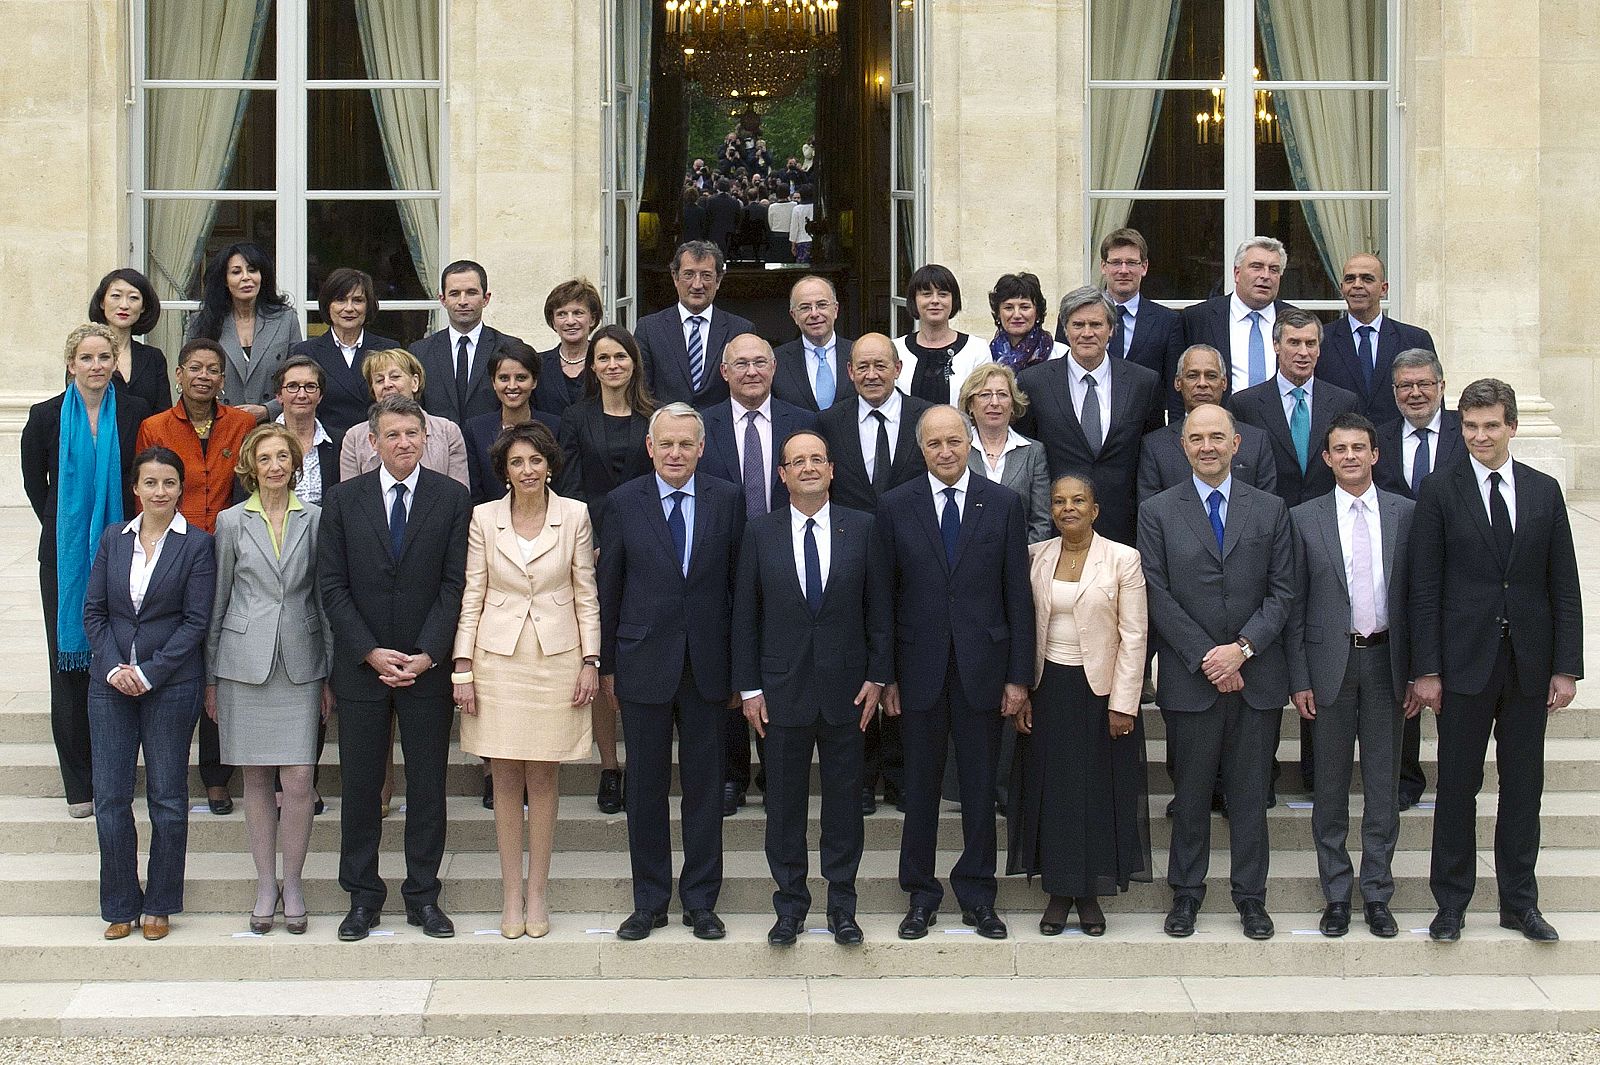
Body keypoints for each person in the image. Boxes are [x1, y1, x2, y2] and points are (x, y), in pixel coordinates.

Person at [1411, 379, 1583, 943]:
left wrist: (1566, 666)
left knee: (1524, 786)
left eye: (1490, 426)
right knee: (1457, 786)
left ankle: (1519, 902)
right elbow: (1426, 586)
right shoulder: (1439, 490)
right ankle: (1452, 903)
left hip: (1528, 665)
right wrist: (1427, 668)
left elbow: (1564, 585)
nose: (1479, 436)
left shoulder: (1544, 490)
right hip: (1462, 663)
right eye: (1469, 427)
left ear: (1512, 426)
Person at [319, 395, 471, 943]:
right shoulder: (342, 501)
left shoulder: (453, 498)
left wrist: (430, 652)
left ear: (426, 438)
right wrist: (368, 651)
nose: (404, 443)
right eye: (393, 434)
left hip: (426, 669)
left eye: (413, 433)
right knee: (361, 787)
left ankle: (423, 896)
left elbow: (457, 584)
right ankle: (362, 897)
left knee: (427, 784)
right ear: (372, 441)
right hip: (363, 668)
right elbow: (331, 586)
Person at [878, 405, 1034, 942]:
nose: (945, 452)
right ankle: (919, 895)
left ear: (968, 441)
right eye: (934, 444)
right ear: (920, 449)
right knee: (919, 788)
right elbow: (885, 598)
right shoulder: (896, 506)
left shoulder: (1004, 504)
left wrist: (1018, 677)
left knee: (978, 787)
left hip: (983, 671)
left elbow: (1019, 594)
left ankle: (978, 894)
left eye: (953, 441)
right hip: (917, 670)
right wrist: (886, 675)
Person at [1138, 404, 1294, 941]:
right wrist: (1209, 655)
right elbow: (1155, 593)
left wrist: (1242, 650)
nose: (1207, 447)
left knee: (1250, 796)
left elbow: (1282, 591)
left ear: (1236, 445)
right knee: (1192, 794)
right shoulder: (1157, 511)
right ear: (1183, 447)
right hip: (1191, 677)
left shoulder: (1271, 509)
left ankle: (1251, 897)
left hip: (1256, 678)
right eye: (1197, 438)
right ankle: (1186, 894)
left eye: (1217, 438)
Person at [733, 429, 891, 946]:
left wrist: (878, 675)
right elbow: (745, 617)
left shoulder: (862, 528)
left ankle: (842, 906)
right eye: (796, 461)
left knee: (845, 805)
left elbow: (880, 610)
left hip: (849, 693)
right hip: (779, 694)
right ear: (781, 474)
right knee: (784, 808)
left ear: (831, 471)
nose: (807, 468)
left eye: (816, 460)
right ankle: (791, 908)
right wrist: (750, 688)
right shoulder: (760, 532)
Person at [597, 403, 745, 942]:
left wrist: (740, 669)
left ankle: (701, 901)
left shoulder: (727, 499)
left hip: (709, 666)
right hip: (642, 664)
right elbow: (608, 587)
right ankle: (650, 900)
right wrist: (607, 665)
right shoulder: (622, 503)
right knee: (646, 788)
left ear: (701, 448)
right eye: (667, 444)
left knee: (706, 788)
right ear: (650, 448)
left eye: (686, 444)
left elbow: (738, 587)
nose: (676, 453)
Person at [452, 421, 600, 939]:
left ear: (549, 464)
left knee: (544, 774)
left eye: (535, 460)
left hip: (559, 658)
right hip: (497, 660)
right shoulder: (483, 518)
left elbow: (586, 593)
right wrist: (462, 666)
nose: (527, 470)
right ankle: (509, 893)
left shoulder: (575, 514)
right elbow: (473, 592)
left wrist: (591, 661)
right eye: (517, 462)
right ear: (505, 471)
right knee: (504, 773)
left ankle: (538, 890)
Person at [1285, 413, 1416, 939]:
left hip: (1388, 663)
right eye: (1340, 449)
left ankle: (1378, 893)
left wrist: (1421, 671)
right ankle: (1337, 894)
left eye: (1359, 448)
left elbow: (1420, 598)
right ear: (1327, 458)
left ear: (1375, 454)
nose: (1350, 457)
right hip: (1328, 666)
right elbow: (1293, 604)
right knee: (1331, 788)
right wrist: (1299, 677)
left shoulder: (1406, 514)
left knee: (1383, 788)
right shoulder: (1304, 517)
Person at [83, 446, 216, 941]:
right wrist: (116, 667)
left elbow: (195, 622)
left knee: (166, 797)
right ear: (135, 489)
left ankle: (160, 902)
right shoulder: (112, 540)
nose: (159, 492)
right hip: (110, 685)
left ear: (181, 489)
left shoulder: (198, 545)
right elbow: (94, 611)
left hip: (171, 686)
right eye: (150, 483)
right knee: (112, 797)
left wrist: (151, 672)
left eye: (169, 483)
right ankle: (120, 903)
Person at [1008, 474, 1150, 936]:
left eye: (1079, 500)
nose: (1068, 508)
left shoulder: (1123, 559)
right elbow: (1022, 627)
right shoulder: (1034, 556)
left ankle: (1089, 894)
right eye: (1059, 501)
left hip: (1101, 693)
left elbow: (1134, 635)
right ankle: (1057, 891)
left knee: (1095, 792)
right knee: (1052, 792)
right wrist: (1023, 689)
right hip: (1048, 689)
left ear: (1095, 509)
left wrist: (1124, 703)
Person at [205, 424, 332, 936]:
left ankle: (294, 882)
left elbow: (323, 599)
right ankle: (265, 883)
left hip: (301, 662)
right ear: (250, 467)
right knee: (255, 778)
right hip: (243, 662)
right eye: (265, 458)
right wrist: (211, 676)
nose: (275, 466)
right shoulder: (230, 522)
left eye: (284, 456)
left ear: (295, 464)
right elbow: (218, 600)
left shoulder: (318, 520)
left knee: (298, 778)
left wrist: (328, 673)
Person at [21, 323, 152, 817]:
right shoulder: (45, 416)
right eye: (87, 358)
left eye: (105, 357)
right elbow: (37, 484)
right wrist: (68, 529)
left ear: (115, 361)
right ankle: (79, 784)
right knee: (68, 666)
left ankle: (113, 772)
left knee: (117, 653)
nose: (97, 366)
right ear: (71, 363)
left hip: (123, 551)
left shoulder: (136, 413)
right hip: (65, 558)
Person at [695, 334, 817, 814]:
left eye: (760, 362)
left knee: (780, 663)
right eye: (740, 363)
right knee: (728, 666)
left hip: (787, 564)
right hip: (720, 564)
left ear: (774, 368)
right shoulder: (703, 425)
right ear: (724, 372)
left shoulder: (803, 424)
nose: (751, 371)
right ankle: (731, 773)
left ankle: (776, 769)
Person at [136, 338, 257, 814]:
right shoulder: (155, 427)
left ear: (223, 379)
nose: (204, 376)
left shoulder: (241, 424)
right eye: (195, 368)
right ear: (179, 375)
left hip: (225, 551)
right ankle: (166, 768)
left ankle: (216, 775)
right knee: (175, 652)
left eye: (213, 369)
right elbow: (146, 491)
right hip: (172, 551)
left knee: (215, 656)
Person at [817, 334, 930, 809]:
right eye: (862, 366)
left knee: (905, 660)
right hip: (850, 564)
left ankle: (902, 773)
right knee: (858, 662)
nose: (871, 374)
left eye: (880, 365)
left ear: (898, 367)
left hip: (915, 561)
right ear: (849, 372)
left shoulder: (926, 416)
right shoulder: (829, 421)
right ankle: (861, 776)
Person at [1373, 348, 1466, 808]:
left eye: (1424, 384)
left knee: (1457, 682)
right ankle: (1404, 778)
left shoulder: (1465, 435)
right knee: (1403, 680)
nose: (1414, 393)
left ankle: (1456, 779)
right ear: (1393, 393)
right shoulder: (1379, 438)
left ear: (1441, 388)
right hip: (1395, 577)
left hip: (1458, 579)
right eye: (1405, 386)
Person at [1017, 286, 1163, 547]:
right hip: (1058, 524)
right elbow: (1028, 456)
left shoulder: (1143, 382)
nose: (1087, 333)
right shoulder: (1034, 382)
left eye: (1096, 324)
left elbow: (1151, 453)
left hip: (1124, 525)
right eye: (1078, 324)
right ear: (1065, 329)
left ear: (1111, 330)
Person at [1229, 309, 1362, 511]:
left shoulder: (1343, 402)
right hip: (1269, 518)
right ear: (1276, 346)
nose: (1303, 352)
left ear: (1319, 349)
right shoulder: (1245, 405)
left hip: (1329, 519)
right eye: (1294, 343)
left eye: (1310, 344)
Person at [1061, 229, 1185, 420]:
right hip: (1085, 420)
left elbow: (1175, 389)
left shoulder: (1168, 322)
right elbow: (1060, 373)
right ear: (1103, 266)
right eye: (1116, 262)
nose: (1124, 270)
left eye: (1132, 263)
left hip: (1144, 431)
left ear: (1144, 267)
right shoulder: (1075, 316)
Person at [1139, 344, 1277, 502]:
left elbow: (1267, 510)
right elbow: (1152, 513)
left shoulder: (1255, 442)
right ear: (1178, 383)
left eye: (1211, 376)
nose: (1202, 383)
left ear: (1224, 382)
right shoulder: (1155, 446)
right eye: (1192, 376)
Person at [185, 241, 302, 420]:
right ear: (224, 280)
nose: (246, 278)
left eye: (252, 270)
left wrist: (267, 410)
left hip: (272, 429)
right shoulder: (202, 322)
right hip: (218, 425)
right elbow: (192, 378)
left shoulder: (286, 319)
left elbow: (299, 377)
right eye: (236, 272)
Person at [1314, 254, 1436, 424]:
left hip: (1398, 444)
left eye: (1367, 279)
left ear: (1384, 289)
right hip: (1342, 444)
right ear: (1342, 288)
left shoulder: (1414, 339)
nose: (1357, 285)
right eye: (1350, 279)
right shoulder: (1321, 340)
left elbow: (1434, 401)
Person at [635, 241, 755, 407]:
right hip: (668, 429)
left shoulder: (740, 330)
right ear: (675, 277)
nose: (697, 285)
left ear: (718, 280)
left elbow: (747, 388)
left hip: (720, 429)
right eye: (689, 274)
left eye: (706, 276)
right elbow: (642, 390)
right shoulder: (649, 328)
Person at [287, 268, 398, 444]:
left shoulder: (388, 349)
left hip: (376, 445)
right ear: (327, 305)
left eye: (358, 300)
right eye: (340, 300)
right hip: (327, 447)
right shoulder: (306, 352)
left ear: (368, 305)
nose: (349, 308)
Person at [414, 260, 526, 427]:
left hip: (492, 447)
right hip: (440, 448)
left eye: (471, 292)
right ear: (443, 299)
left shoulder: (509, 347)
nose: (463, 301)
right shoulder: (420, 352)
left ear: (486, 298)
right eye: (454, 294)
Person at [1180, 237, 1297, 396]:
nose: (1265, 275)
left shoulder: (1295, 321)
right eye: (1256, 267)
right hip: (1220, 418)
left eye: (1274, 269)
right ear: (1237, 273)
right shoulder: (1199, 318)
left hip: (1278, 418)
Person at [339, 348, 469, 488]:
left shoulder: (447, 431)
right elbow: (349, 498)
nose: (387, 384)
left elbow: (459, 496)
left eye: (395, 377)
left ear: (415, 382)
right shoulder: (354, 438)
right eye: (379, 380)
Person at [959, 363, 1052, 543]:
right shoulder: (958, 449)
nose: (995, 402)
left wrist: (1020, 559)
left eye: (1002, 395)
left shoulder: (1033, 452)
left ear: (1012, 404)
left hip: (1020, 560)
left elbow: (1041, 520)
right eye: (985, 394)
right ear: (970, 404)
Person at [463, 341, 562, 505]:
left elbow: (562, 485)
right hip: (490, 524)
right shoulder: (475, 429)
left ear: (534, 381)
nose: (512, 386)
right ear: (493, 383)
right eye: (503, 378)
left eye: (521, 378)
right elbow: (475, 492)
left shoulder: (555, 426)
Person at [893, 265, 988, 405]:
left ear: (953, 300)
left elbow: (982, 404)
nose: (935, 301)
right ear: (914, 300)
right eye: (926, 294)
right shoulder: (896, 349)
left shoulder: (977, 349)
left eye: (943, 294)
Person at [88, 268, 170, 415]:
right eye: (116, 296)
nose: (124, 305)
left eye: (133, 298)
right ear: (102, 302)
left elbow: (163, 416)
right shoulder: (85, 353)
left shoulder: (154, 358)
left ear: (143, 307)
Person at [772, 275, 856, 412]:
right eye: (805, 308)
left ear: (835, 310)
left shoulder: (858, 354)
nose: (814, 313)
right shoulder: (777, 361)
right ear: (794, 316)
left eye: (822, 305)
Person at [273, 356, 339, 506]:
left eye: (310, 386)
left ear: (320, 396)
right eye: (292, 386)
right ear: (279, 396)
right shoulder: (260, 441)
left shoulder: (338, 442)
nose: (302, 395)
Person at [534, 279, 601, 416]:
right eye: (561, 314)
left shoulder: (605, 363)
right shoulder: (538, 364)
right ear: (553, 322)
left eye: (578, 313)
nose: (570, 321)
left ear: (592, 319)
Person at [988, 272, 1067, 374]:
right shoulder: (986, 356)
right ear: (998, 313)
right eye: (1008, 308)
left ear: (1037, 312)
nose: (1016, 315)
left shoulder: (1061, 354)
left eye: (1024, 307)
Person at [706, 179, 743, 258]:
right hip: (729, 235)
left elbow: (708, 218)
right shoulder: (734, 202)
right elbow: (738, 218)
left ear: (718, 188)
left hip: (714, 233)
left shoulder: (711, 201)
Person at [765, 182, 794, 264]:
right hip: (790, 236)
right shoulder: (794, 205)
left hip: (776, 236)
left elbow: (770, 223)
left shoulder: (772, 207)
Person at [789, 184, 817, 263]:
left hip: (801, 241)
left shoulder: (797, 209)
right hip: (815, 240)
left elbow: (794, 227)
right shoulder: (816, 207)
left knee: (802, 267)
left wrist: (793, 244)